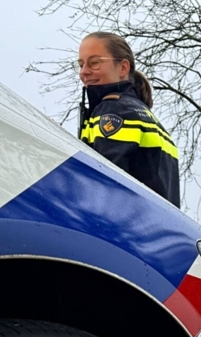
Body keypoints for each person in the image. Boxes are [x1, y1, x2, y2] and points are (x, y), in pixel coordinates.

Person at [77, 32, 180, 207]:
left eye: (94, 63)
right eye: (80, 64)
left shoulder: (113, 110)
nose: (84, 72)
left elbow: (105, 186)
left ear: (123, 67)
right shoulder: (147, 116)